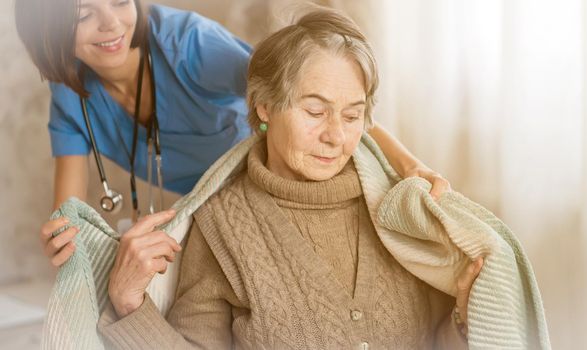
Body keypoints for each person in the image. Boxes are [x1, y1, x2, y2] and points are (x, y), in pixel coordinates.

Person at [97, 7, 482, 349]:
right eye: (315, 111)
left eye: (352, 116)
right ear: (264, 106)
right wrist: (130, 306)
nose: (335, 136)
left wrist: (463, 319)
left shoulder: (401, 208)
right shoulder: (222, 226)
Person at [15, 0, 451, 268]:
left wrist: (410, 166)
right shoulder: (70, 96)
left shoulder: (190, 45)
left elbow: (323, 101)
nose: (112, 24)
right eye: (84, 14)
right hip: (205, 211)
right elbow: (66, 215)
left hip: (273, 187)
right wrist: (62, 240)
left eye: (119, 1)